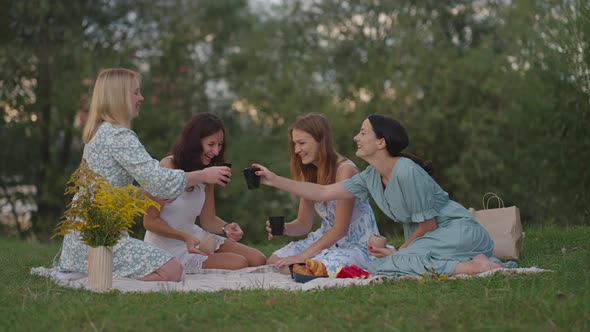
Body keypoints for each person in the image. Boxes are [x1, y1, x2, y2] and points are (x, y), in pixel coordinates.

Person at [254, 114, 517, 277]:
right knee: (383, 266)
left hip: (454, 230)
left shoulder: (406, 171)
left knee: (395, 262)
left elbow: (428, 225)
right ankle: (470, 263)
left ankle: (474, 266)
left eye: (363, 132)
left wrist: (400, 251)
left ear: (381, 142)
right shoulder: (370, 176)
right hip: (430, 236)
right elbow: (322, 192)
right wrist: (274, 180)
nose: (356, 137)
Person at [55, 68, 232, 282]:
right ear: (120, 97)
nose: (141, 98)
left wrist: (144, 197)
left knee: (170, 269)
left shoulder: (102, 132)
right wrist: (203, 175)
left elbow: (106, 189)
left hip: (86, 238)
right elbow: (159, 181)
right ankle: (98, 275)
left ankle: (95, 273)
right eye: (136, 92)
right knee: (173, 271)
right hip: (96, 240)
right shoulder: (119, 136)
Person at [144, 113, 267, 272]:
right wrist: (184, 237)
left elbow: (208, 219)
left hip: (195, 237)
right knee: (238, 262)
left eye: (220, 144)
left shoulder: (207, 171)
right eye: (211, 144)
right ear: (195, 142)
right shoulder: (167, 167)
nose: (216, 151)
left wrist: (227, 227)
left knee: (258, 259)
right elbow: (149, 222)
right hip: (168, 244)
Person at [265, 113, 379, 274]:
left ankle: (308, 269)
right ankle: (304, 269)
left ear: (321, 140)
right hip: (325, 240)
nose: (297, 150)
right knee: (274, 260)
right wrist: (284, 228)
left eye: (302, 143)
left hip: (355, 245)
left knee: (308, 268)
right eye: (294, 144)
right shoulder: (311, 172)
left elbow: (340, 229)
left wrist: (302, 256)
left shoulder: (346, 170)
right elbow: (304, 224)